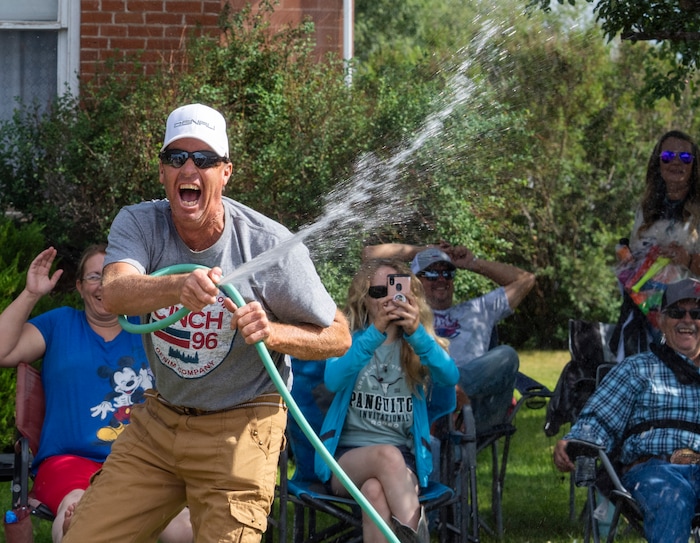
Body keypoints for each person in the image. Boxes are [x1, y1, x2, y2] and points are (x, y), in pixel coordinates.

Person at [62, 103, 351, 543]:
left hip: (241, 427)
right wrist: (175, 288)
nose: (189, 168)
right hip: (160, 421)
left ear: (226, 172)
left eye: (204, 159)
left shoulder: (268, 246)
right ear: (162, 172)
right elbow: (116, 291)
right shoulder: (140, 223)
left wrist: (273, 333)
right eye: (176, 158)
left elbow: (339, 334)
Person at [0, 245, 192, 543]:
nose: (103, 285)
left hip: (145, 460)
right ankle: (75, 528)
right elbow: (3, 351)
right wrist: (31, 294)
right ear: (79, 287)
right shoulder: (59, 323)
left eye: (113, 277)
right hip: (68, 461)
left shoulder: (150, 325)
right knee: (77, 510)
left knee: (183, 528)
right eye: (93, 277)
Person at [314, 258, 458, 543]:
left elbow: (450, 376)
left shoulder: (418, 346)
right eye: (377, 292)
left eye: (394, 290)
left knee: (374, 492)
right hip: (346, 459)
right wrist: (375, 334)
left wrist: (417, 333)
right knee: (385, 456)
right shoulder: (349, 341)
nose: (386, 299)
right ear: (363, 299)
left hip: (403, 464)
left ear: (408, 295)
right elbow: (333, 379)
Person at [554, 277, 700, 543]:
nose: (687, 320)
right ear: (661, 321)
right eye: (677, 312)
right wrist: (575, 441)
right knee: (673, 500)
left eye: (697, 313)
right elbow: (601, 416)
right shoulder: (638, 368)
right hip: (655, 470)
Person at [362, 242, 535, 434]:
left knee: (507, 355)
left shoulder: (479, 310)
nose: (441, 279)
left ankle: (451, 404)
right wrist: (423, 251)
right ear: (414, 282)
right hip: (423, 397)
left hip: (473, 408)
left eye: (447, 273)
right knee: (426, 370)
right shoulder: (405, 315)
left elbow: (526, 280)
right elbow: (369, 254)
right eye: (431, 274)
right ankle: (443, 404)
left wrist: (473, 263)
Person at [612, 130, 700, 358]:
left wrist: (688, 260)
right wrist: (628, 262)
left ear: (694, 166)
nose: (676, 162)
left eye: (686, 157)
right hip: (645, 314)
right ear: (658, 161)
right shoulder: (645, 209)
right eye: (668, 155)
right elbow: (633, 262)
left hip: (689, 322)